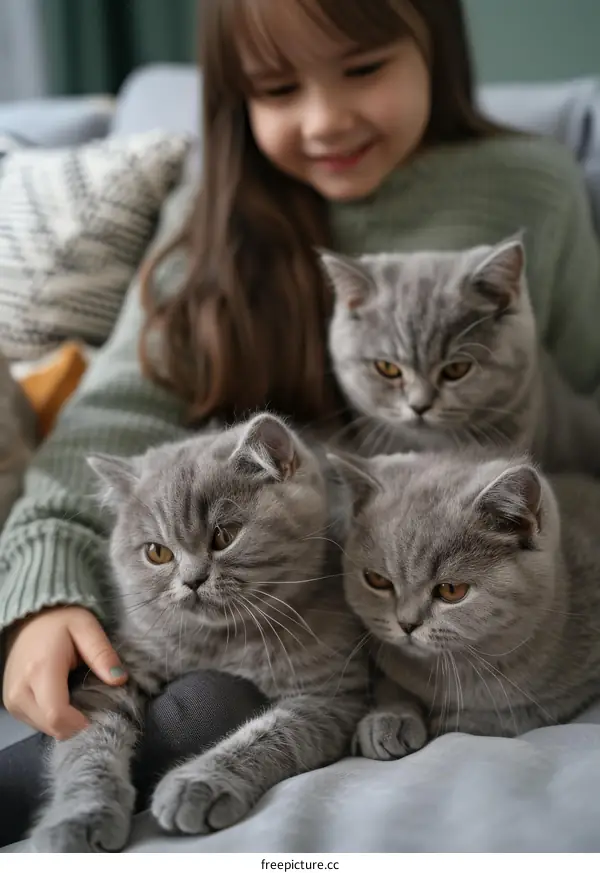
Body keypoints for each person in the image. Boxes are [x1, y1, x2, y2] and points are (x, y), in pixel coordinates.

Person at [2, 0, 600, 845]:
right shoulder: (213, 205)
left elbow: (586, 394)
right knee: (139, 689)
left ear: (436, 52)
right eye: (278, 87)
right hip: (255, 554)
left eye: (362, 69)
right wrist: (42, 591)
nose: (325, 118)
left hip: (376, 585)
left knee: (217, 705)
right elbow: (114, 412)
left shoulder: (529, 182)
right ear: (234, 98)